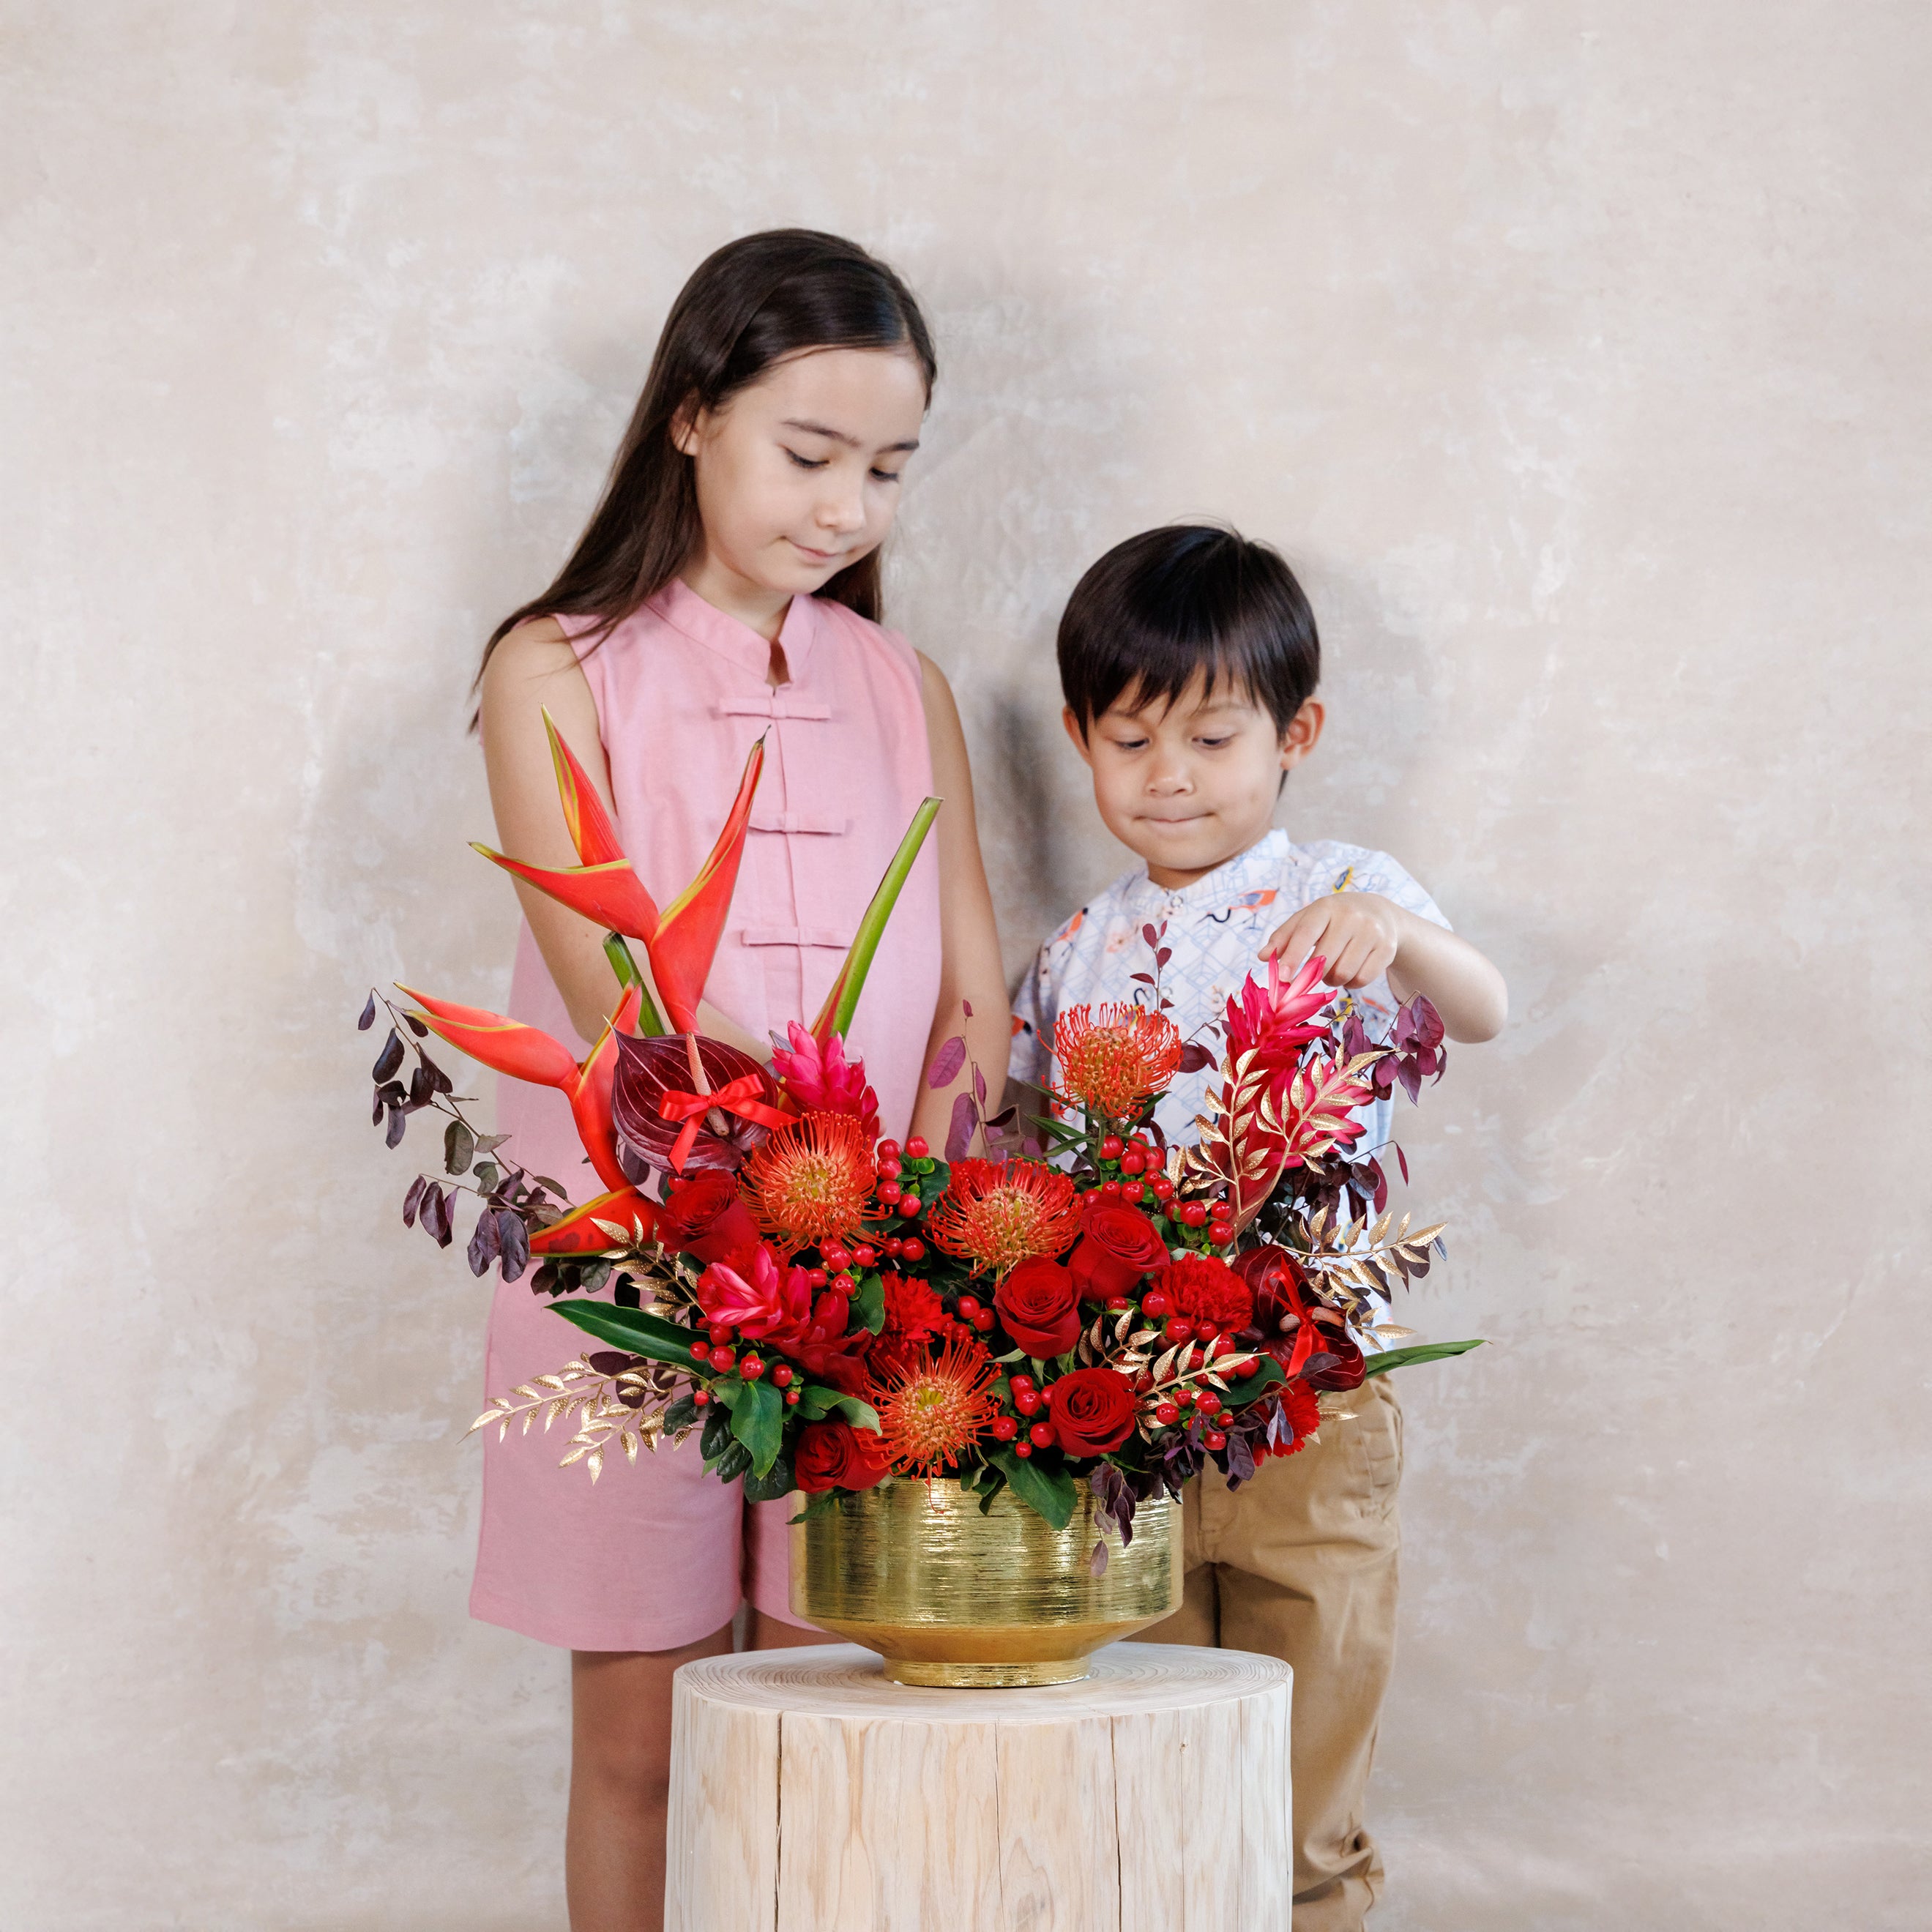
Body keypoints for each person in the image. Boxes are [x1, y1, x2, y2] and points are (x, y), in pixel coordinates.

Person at [473, 229, 1010, 1932]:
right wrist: (763, 1226)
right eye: (809, 452)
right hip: (635, 1284)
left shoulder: (904, 686)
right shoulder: (553, 666)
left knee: (823, 1723)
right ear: (694, 416)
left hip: (874, 1295)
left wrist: (925, 1270)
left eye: (888, 468)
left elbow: (971, 1005)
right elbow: (621, 1011)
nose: (847, 506)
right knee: (641, 1739)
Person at [1010, 523, 1507, 1932]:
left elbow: (1485, 1007)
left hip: (1312, 1394)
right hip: (1131, 1406)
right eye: (1129, 740)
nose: (1170, 777)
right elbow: (1033, 1149)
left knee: (1302, 1781)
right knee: (1149, 1765)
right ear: (1078, 740)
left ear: (1297, 734)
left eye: (1215, 737)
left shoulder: (1342, 891)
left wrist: (1395, 939)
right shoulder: (1075, 949)